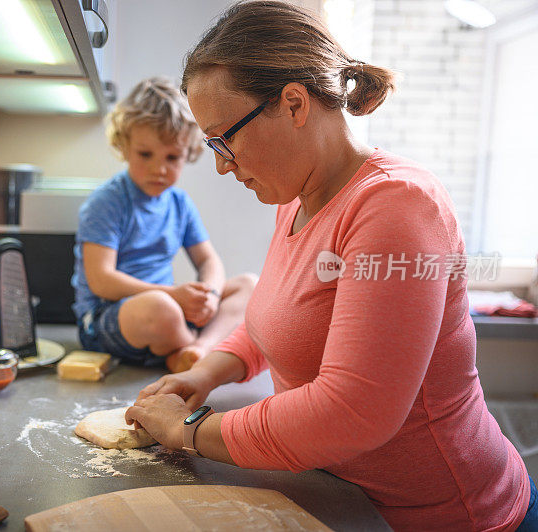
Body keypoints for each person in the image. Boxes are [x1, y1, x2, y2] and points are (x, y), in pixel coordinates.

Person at [125, 2, 537, 530]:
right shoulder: (294, 201)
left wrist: (192, 428)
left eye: (225, 138)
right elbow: (280, 323)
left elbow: (352, 410)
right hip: (351, 503)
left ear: (295, 104)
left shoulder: (397, 206)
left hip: (451, 516)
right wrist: (205, 375)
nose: (224, 165)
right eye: (212, 146)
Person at [72, 77, 257, 373]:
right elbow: (101, 280)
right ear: (124, 145)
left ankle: (194, 351)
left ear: (188, 154)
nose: (159, 169)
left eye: (172, 158)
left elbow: (208, 260)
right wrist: (174, 295)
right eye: (146, 155)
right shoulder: (107, 202)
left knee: (250, 285)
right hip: (107, 318)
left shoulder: (179, 203)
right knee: (161, 307)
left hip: (167, 309)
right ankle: (194, 352)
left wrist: (208, 294)